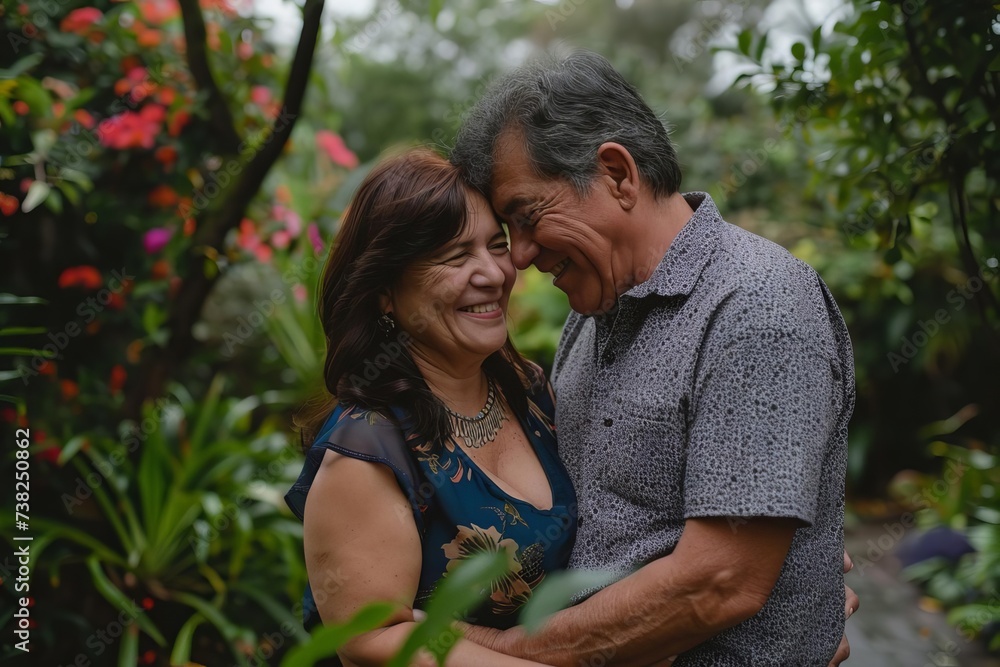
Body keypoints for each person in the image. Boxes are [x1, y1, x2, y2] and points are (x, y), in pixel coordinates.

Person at [449, 50, 858, 666]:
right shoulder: (592, 314)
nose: (521, 256)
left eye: (528, 217)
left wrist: (502, 653)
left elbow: (720, 583)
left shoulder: (758, 308)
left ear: (617, 174)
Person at [284, 148, 576, 665]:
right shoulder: (366, 451)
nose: (493, 274)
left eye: (497, 245)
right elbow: (373, 640)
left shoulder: (528, 388)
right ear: (385, 292)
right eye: (455, 256)